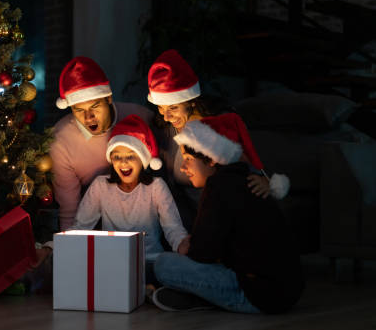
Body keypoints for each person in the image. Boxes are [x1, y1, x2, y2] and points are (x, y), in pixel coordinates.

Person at [152, 115, 304, 314]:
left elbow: (202, 253)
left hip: (259, 294)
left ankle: (206, 297)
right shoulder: (243, 179)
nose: (183, 167)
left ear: (212, 159)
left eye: (188, 159)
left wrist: (187, 248)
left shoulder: (220, 186)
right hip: (288, 291)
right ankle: (204, 296)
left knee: (164, 264)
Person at [146, 49, 289, 228]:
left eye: (173, 108)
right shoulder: (166, 130)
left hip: (227, 220)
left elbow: (250, 161)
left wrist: (264, 181)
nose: (166, 116)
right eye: (160, 107)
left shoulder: (220, 126)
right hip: (188, 223)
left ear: (191, 100)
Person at [49, 115, 189, 284]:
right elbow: (80, 228)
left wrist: (183, 245)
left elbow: (173, 228)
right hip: (111, 263)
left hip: (150, 262)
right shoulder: (101, 186)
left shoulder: (156, 186)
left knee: (170, 267)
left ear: (143, 159)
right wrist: (51, 246)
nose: (123, 163)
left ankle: (156, 291)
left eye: (130, 156)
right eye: (117, 157)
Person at [50, 56, 154, 232]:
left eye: (94, 107)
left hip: (148, 219)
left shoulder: (141, 117)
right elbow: (70, 213)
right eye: (79, 110)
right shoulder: (61, 142)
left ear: (108, 98)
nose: (88, 117)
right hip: (97, 224)